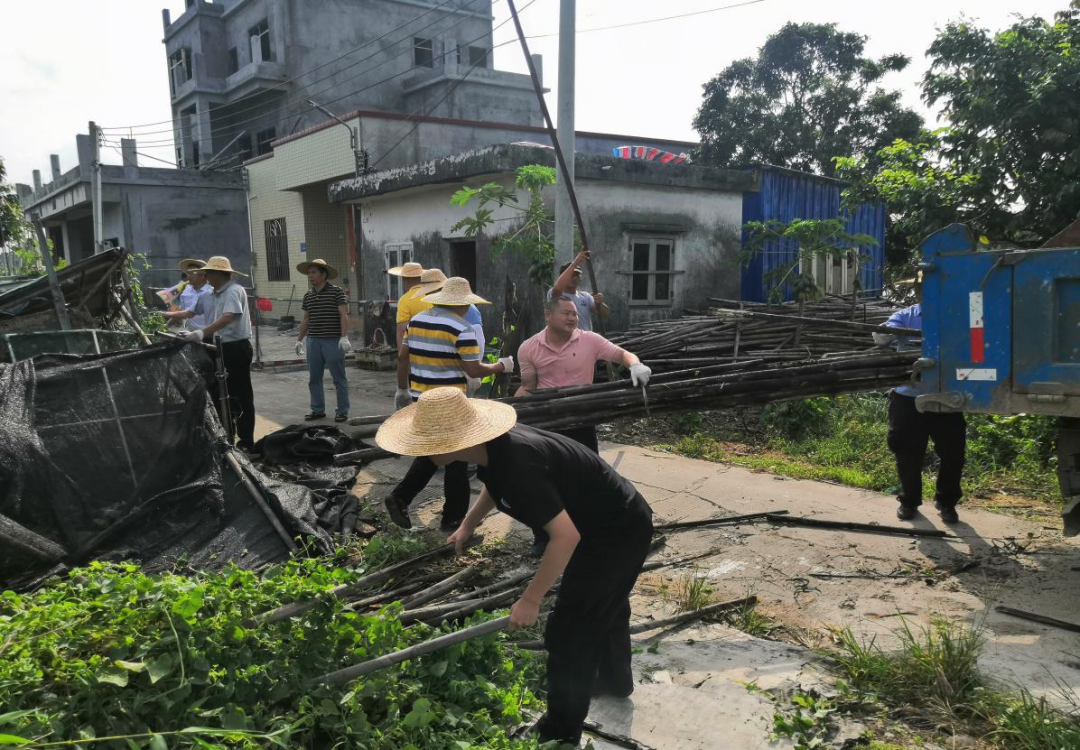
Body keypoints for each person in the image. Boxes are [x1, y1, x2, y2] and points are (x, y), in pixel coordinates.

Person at [375, 388, 654, 747]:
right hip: (606, 519)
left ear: (451, 442)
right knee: (604, 604)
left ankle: (560, 730)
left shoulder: (518, 464)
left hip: (616, 530)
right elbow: (495, 485)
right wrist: (469, 523)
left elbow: (564, 537)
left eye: (426, 444)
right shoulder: (493, 449)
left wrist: (530, 600)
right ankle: (615, 681)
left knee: (570, 630)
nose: (423, 452)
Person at [517, 295, 652, 556]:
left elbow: (621, 354)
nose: (572, 318)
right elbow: (528, 386)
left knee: (587, 478)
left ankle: (589, 532)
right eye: (566, 313)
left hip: (581, 420)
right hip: (547, 424)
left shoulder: (590, 340)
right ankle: (543, 537)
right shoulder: (529, 347)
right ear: (548, 315)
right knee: (544, 481)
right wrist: (514, 413)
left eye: (575, 314)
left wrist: (635, 364)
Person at [384, 278, 512, 530]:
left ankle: (404, 498)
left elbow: (403, 358)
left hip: (423, 399)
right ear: (463, 304)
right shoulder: (462, 328)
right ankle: (449, 516)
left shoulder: (416, 322)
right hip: (450, 403)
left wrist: (402, 388)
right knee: (457, 458)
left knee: (438, 452)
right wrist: (500, 366)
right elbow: (474, 370)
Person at [874, 273, 966, 523]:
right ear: (918, 291)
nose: (929, 292)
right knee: (907, 452)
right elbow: (881, 337)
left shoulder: (955, 315)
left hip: (945, 396)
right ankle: (909, 501)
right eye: (924, 288)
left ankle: (947, 502)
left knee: (953, 453)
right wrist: (887, 332)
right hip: (908, 397)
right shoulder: (905, 316)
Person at [167, 256, 256, 453]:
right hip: (217, 346)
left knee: (241, 393)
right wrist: (172, 319)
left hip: (236, 347)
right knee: (220, 392)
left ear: (219, 274)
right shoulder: (212, 294)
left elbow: (227, 317)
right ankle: (226, 434)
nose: (206, 276)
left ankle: (246, 442)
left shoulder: (233, 291)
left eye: (209, 273)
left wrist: (201, 332)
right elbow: (191, 312)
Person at [294, 258, 352, 422]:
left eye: (314, 272)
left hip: (332, 340)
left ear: (323, 275)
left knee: (338, 378)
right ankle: (317, 409)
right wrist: (299, 340)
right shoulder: (308, 295)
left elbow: (343, 315)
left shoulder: (336, 292)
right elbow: (306, 319)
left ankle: (342, 410)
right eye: (309, 273)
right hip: (313, 341)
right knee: (314, 378)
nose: (310, 276)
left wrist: (344, 336)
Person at [548, 250, 608, 332]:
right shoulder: (555, 294)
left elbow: (604, 314)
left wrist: (600, 303)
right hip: (565, 339)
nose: (575, 278)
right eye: (572, 275)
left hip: (585, 339)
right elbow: (557, 289)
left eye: (577, 275)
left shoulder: (586, 296)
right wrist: (575, 263)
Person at [390, 261, 426, 347]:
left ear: (406, 280)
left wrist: (401, 353)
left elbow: (402, 331)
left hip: (416, 348)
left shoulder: (405, 300)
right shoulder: (433, 296)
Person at [175, 259, 212, 331]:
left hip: (209, 333)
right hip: (191, 333)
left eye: (192, 273)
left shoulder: (211, 292)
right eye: (188, 273)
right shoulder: (186, 291)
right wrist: (165, 325)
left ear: (202, 275)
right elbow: (182, 313)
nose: (188, 277)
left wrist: (165, 314)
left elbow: (189, 313)